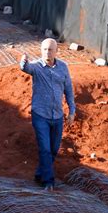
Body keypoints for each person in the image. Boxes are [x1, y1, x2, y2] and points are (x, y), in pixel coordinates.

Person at [20, 38, 76, 191]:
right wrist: (23, 62)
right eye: (44, 49)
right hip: (40, 115)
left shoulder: (63, 68)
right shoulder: (37, 67)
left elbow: (69, 90)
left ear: (56, 51)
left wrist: (72, 110)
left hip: (57, 116)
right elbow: (26, 68)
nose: (47, 52)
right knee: (44, 148)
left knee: (53, 150)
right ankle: (48, 181)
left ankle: (39, 174)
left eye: (50, 50)